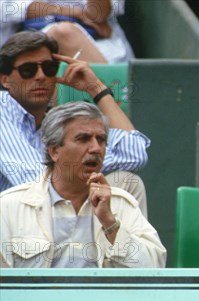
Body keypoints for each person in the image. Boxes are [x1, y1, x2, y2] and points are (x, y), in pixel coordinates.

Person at [0, 101, 166, 268]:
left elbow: (153, 270)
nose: (96, 148)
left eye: (101, 139)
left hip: (101, 295)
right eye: (83, 139)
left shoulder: (120, 204)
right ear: (54, 151)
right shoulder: (9, 206)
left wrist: (110, 224)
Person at [0, 31, 149, 215]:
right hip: (14, 225)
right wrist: (84, 166)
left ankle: (121, 244)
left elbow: (135, 153)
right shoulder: (2, 109)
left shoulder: (54, 119)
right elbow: (34, 181)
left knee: (125, 181)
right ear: (5, 80)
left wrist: (97, 89)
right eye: (28, 70)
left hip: (55, 213)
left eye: (49, 68)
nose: (40, 76)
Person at [0, 0, 134, 63]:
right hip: (28, 49)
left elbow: (99, 14)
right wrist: (74, 13)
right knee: (63, 33)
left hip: (99, 47)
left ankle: (113, 106)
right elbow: (8, 9)